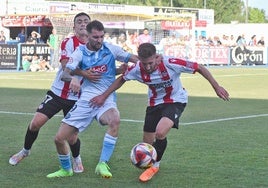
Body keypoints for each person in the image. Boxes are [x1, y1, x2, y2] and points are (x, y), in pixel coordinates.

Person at [90, 43, 230, 182]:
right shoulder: (137, 68)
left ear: (157, 57)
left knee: (160, 132)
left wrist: (216, 87)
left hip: (175, 101)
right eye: (144, 64)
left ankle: (154, 166)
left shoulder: (170, 63)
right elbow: (121, 79)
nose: (148, 67)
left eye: (150, 63)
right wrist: (103, 96)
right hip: (154, 103)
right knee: (147, 144)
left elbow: (199, 67)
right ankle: (150, 162)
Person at [46, 20, 139, 179]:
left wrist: (140, 65)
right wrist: (83, 74)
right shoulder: (79, 52)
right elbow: (65, 74)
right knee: (59, 139)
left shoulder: (110, 48)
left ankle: (102, 163)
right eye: (95, 37)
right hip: (86, 100)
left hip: (106, 99)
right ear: (88, 36)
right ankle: (66, 169)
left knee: (114, 119)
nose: (99, 40)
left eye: (102, 36)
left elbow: (134, 59)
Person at [9, 12, 93, 174]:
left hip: (77, 98)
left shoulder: (97, 46)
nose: (83, 24)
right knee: (35, 123)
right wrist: (80, 75)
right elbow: (64, 64)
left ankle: (77, 159)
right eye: (79, 22)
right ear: (74, 27)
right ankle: (25, 151)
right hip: (57, 93)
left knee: (71, 137)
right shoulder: (69, 42)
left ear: (90, 26)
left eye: (86, 22)